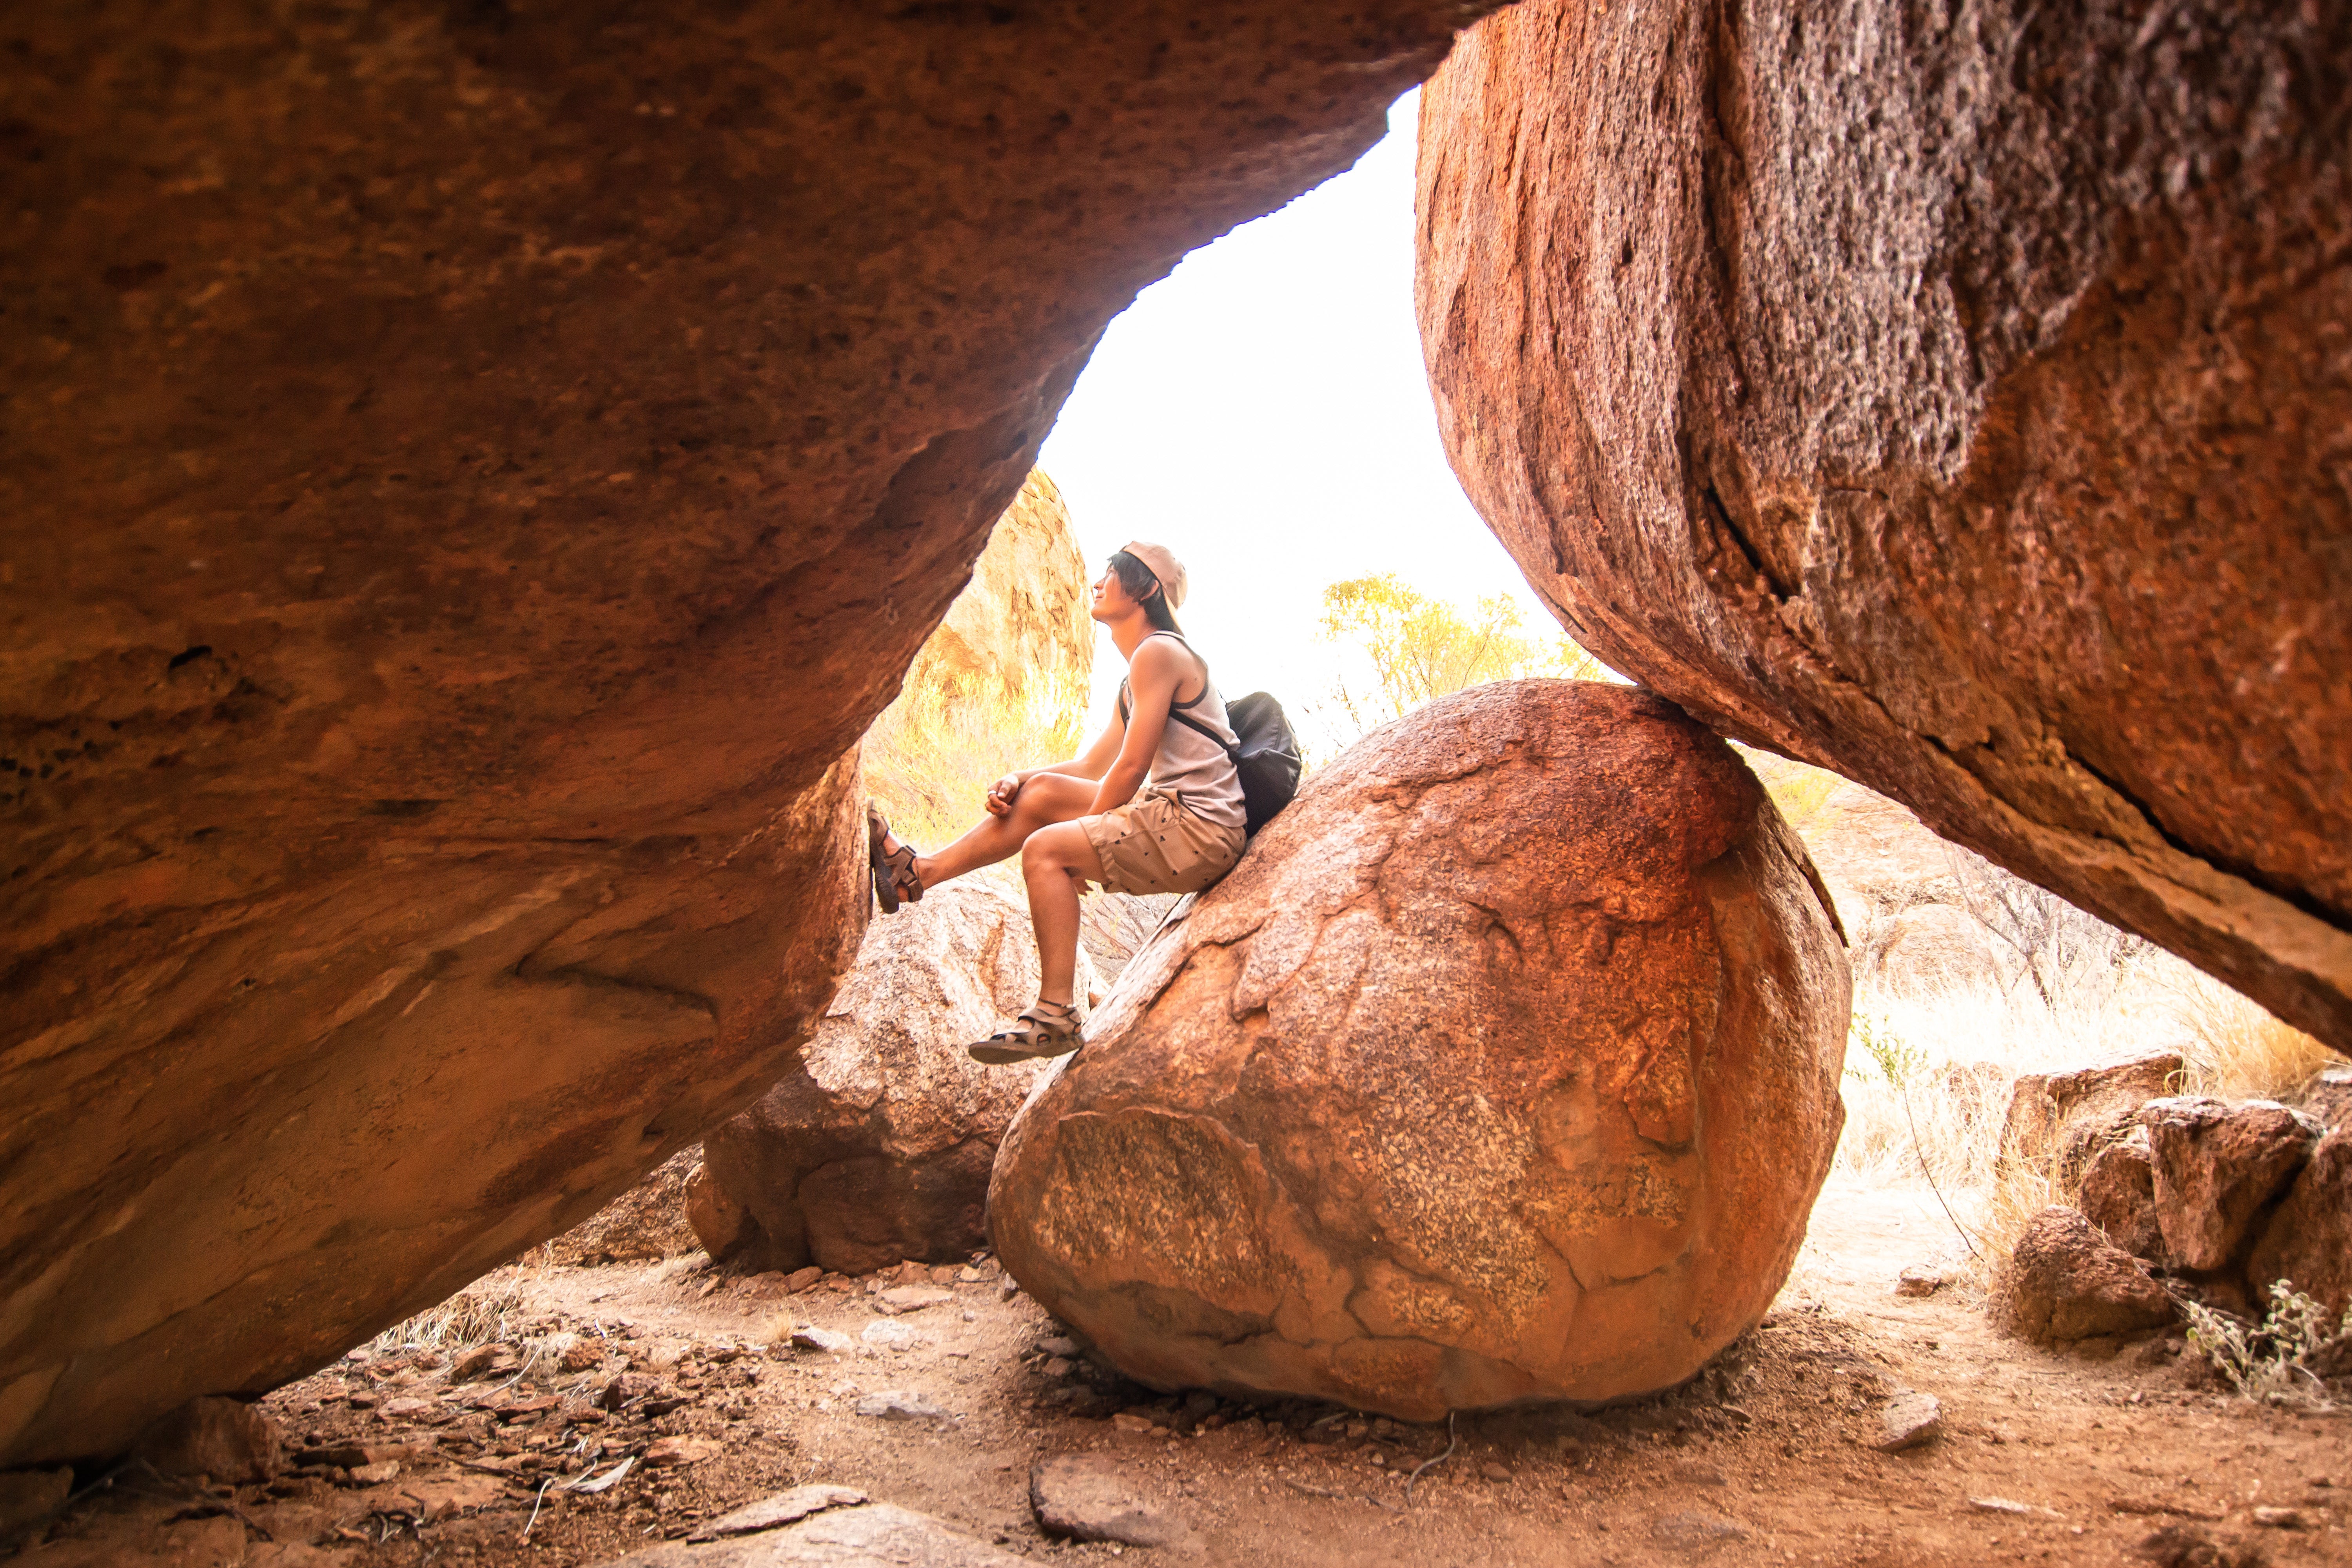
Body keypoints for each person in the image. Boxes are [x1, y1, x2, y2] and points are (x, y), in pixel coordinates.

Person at [866, 541, 1248, 1063]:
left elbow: (1132, 770)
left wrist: (1081, 840)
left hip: (1198, 827)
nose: (1098, 581)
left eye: (1111, 573)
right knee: (1041, 792)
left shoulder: (1161, 652)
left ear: (1147, 590)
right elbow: (1093, 768)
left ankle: (1056, 1016)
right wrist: (1018, 778)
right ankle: (918, 874)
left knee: (1046, 851)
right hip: (1174, 817)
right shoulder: (1138, 672)